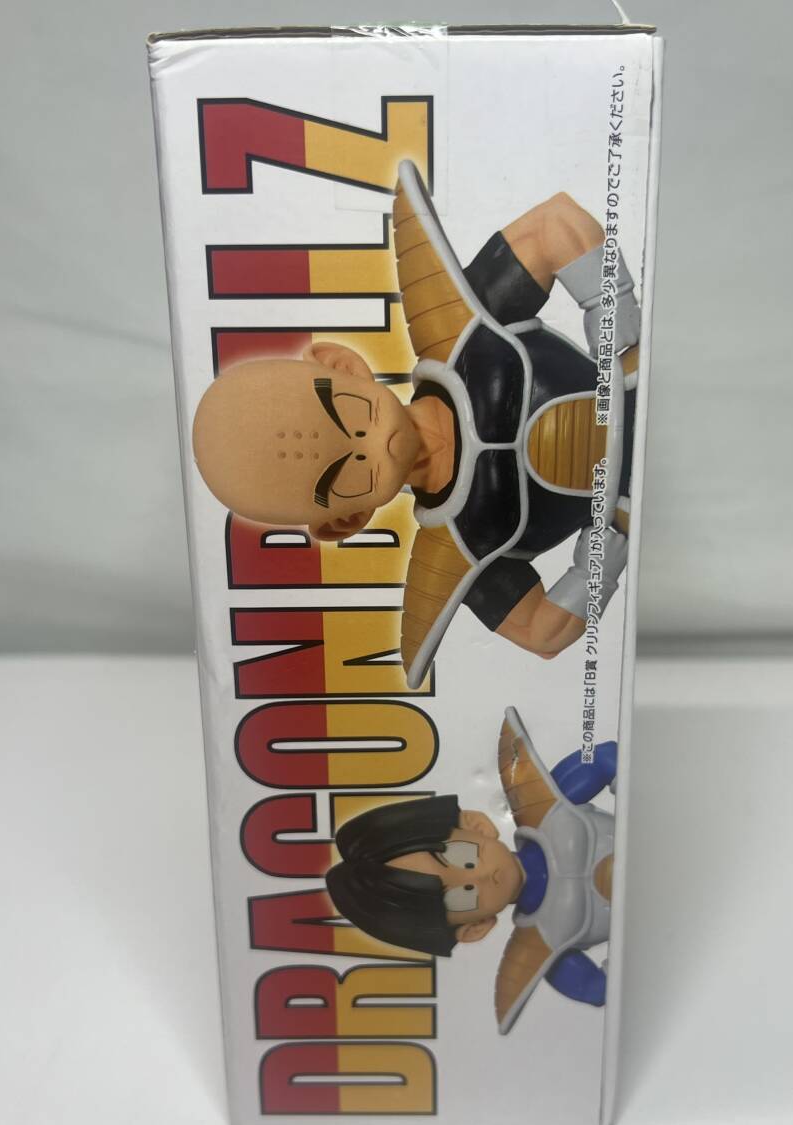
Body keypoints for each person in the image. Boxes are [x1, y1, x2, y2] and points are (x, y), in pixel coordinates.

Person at [194, 160, 641, 686]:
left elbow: (555, 225)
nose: (370, 445)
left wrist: (613, 317)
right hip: (638, 509)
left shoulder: (464, 330)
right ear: (345, 521)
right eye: (344, 473)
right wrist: (599, 566)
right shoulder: (460, 546)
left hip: (645, 381)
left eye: (344, 414)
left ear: (342, 366)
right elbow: (542, 633)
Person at [326, 707, 619, 1033]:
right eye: (464, 895)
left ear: (477, 825)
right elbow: (598, 989)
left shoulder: (547, 808)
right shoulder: (541, 942)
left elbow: (605, 758)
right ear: (474, 928)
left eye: (465, 858)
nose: (480, 877)